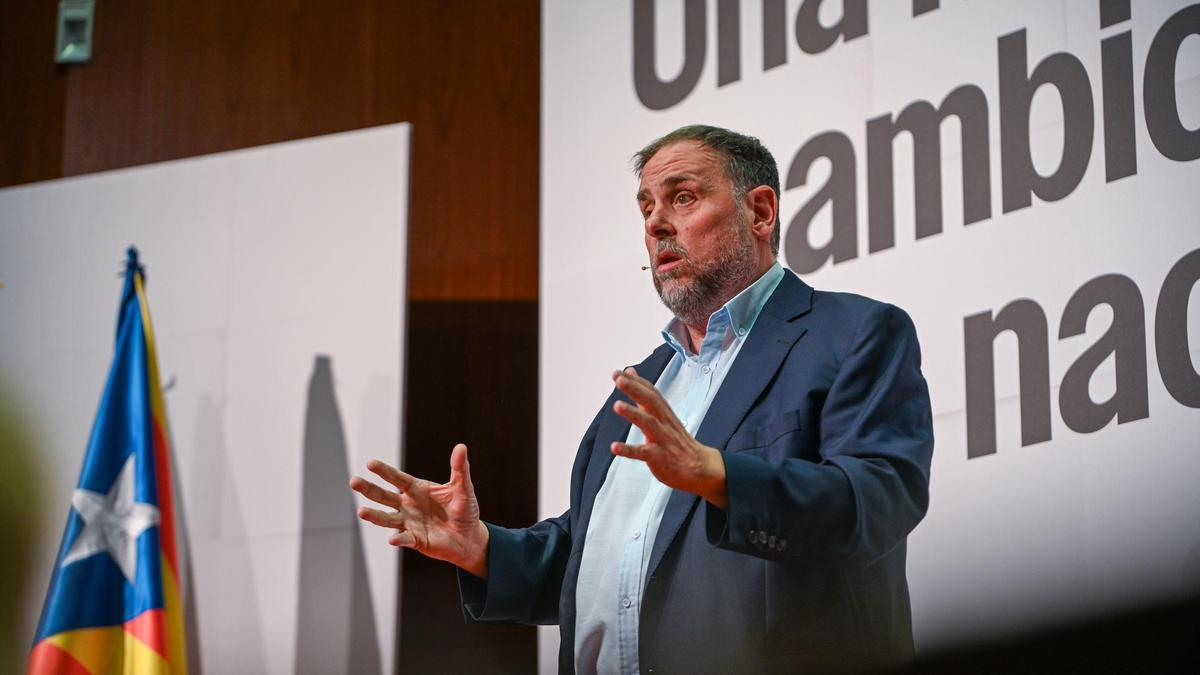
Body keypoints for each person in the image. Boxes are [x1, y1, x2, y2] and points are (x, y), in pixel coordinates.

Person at [351, 125, 934, 674]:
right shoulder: (650, 380)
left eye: (682, 198)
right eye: (647, 207)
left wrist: (720, 474)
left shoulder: (850, 334)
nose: (656, 224)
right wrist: (483, 549)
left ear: (760, 211)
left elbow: (878, 500)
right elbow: (603, 556)